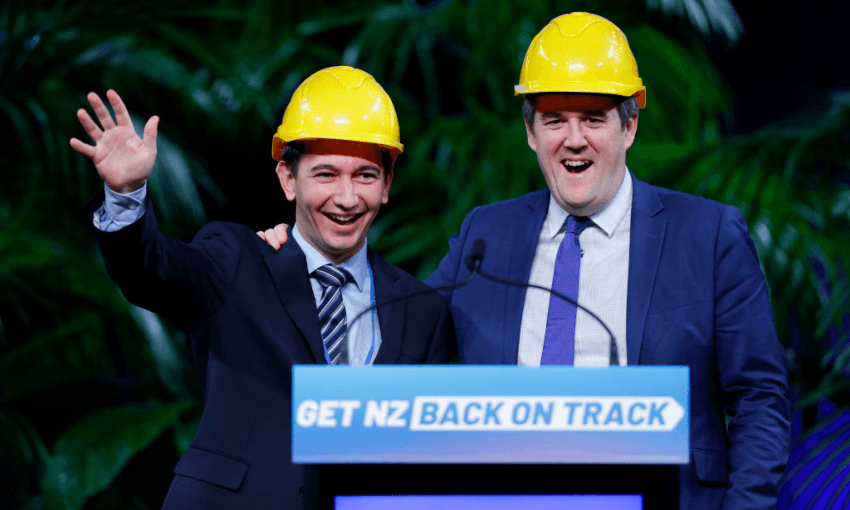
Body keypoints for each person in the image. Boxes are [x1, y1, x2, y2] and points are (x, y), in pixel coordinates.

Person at [259, 13, 791, 509]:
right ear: (531, 133)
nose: (574, 138)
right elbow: (401, 336)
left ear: (628, 127)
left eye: (594, 118)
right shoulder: (486, 235)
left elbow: (760, 400)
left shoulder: (707, 233)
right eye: (554, 119)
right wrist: (307, 252)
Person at [72, 66, 455, 509]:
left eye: (366, 176)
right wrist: (126, 194)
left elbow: (420, 462)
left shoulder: (422, 308)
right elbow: (151, 273)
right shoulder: (237, 258)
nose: (347, 198)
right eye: (326, 175)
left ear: (387, 184)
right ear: (288, 179)